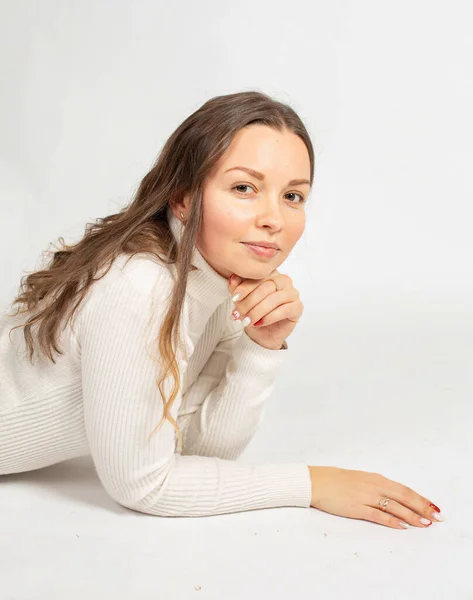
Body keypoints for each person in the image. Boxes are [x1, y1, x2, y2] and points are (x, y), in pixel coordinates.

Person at [0, 91, 443, 529]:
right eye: (244, 188)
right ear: (184, 198)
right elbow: (143, 485)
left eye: (293, 196)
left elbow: (196, 451)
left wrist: (260, 346)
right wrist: (314, 485)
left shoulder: (217, 278)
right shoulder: (142, 286)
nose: (274, 218)